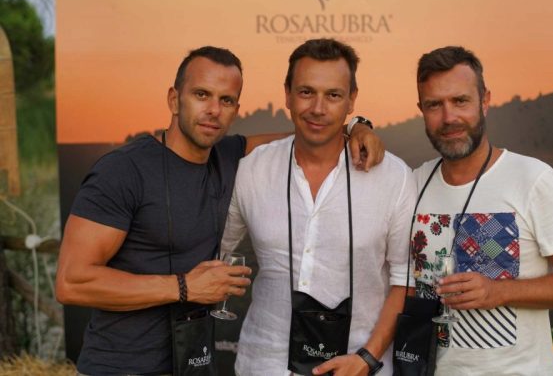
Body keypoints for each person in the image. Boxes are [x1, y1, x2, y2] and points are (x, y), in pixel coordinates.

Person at [55, 45, 384, 375]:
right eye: (201, 95)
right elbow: (72, 282)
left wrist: (356, 126)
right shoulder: (123, 171)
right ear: (174, 99)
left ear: (236, 109)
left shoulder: (228, 156)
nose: (213, 110)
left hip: (194, 365)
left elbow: (311, 135)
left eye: (226, 100)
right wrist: (184, 287)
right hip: (121, 368)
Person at [221, 38, 417, 376]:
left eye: (333, 95)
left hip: (358, 368)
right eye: (306, 92)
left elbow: (405, 279)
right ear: (287, 94)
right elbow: (216, 250)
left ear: (352, 100)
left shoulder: (394, 177)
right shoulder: (252, 170)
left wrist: (367, 358)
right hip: (264, 364)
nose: (318, 108)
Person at [411, 46, 553, 375]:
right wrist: (358, 128)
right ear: (421, 111)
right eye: (434, 105)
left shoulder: (533, 179)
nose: (449, 117)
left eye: (460, 101)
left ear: (485, 101)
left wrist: (498, 291)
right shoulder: (412, 184)